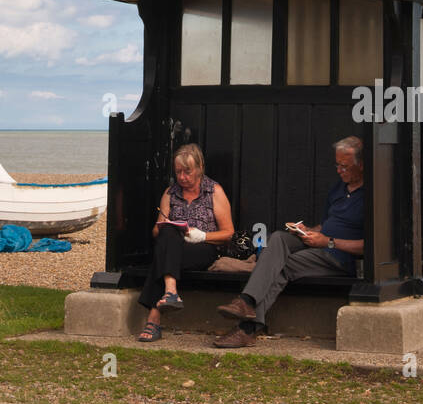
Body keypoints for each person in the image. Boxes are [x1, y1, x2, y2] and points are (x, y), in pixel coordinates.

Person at [212, 136, 364, 348]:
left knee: (284, 265)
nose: (339, 170)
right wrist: (308, 231)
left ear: (361, 165)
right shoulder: (338, 188)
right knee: (278, 238)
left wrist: (327, 241)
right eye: (337, 165)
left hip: (337, 256)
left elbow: (367, 246)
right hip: (320, 243)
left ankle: (247, 327)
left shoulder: (372, 195)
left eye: (344, 166)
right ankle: (246, 302)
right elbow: (328, 224)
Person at [137, 144, 234, 343]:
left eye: (187, 172)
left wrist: (203, 236)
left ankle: (154, 319)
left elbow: (228, 233)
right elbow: (156, 231)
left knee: (162, 258)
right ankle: (170, 292)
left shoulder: (214, 191)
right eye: (178, 172)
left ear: (199, 168)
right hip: (174, 247)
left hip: (203, 249)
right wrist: (162, 226)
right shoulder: (170, 194)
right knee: (168, 233)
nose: (182, 177)